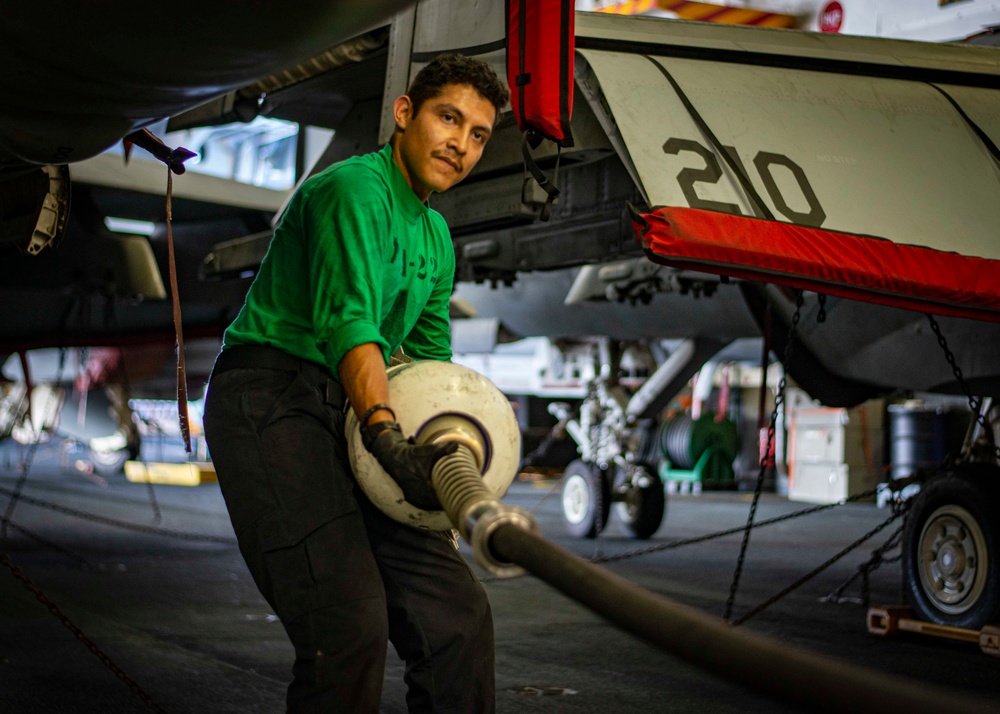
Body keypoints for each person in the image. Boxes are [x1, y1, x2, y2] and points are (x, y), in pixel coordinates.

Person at [203, 54, 510, 713]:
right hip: (270, 401)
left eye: (478, 134)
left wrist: (439, 500)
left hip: (355, 412)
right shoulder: (354, 191)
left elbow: (427, 370)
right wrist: (385, 435)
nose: (460, 143)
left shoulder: (436, 237)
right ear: (405, 114)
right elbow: (350, 323)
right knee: (348, 625)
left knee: (458, 615)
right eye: (447, 118)